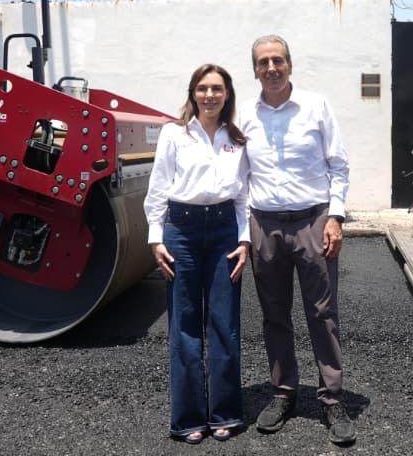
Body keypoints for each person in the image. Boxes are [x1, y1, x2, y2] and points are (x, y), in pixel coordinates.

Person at [241, 34, 355, 446]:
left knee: (323, 313)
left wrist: (336, 217)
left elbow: (339, 165)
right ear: (254, 69)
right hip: (264, 224)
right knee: (274, 314)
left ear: (290, 64)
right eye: (263, 62)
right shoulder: (245, 115)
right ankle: (284, 392)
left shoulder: (316, 106)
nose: (271, 68)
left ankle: (331, 398)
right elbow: (241, 180)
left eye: (277, 60)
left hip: (313, 221)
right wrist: (244, 233)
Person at [143, 63, 251, 445]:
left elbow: (242, 195)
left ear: (227, 94)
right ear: (192, 93)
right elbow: (158, 187)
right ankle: (188, 417)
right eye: (203, 88)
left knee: (224, 323)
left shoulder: (237, 137)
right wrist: (157, 238)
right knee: (185, 326)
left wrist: (244, 240)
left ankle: (224, 412)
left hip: (224, 231)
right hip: (182, 232)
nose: (210, 95)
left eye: (217, 88)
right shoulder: (174, 134)